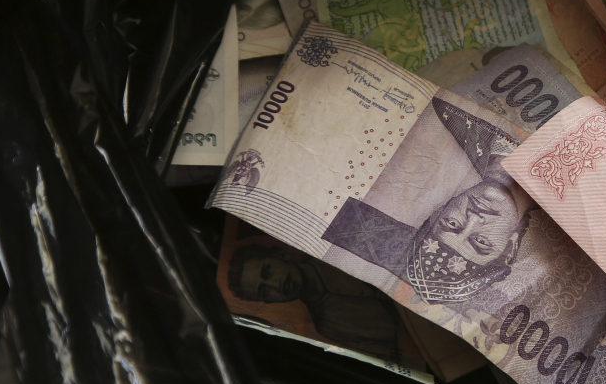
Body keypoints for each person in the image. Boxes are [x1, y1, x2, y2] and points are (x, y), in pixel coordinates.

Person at [324, 97, 533, 305]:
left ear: (440, 211)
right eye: (481, 241)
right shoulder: (555, 204)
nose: (473, 218)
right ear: (511, 247)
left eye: (452, 223)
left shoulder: (453, 118)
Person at [226, 243, 402, 360]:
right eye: (264, 291)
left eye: (268, 272)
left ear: (281, 254)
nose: (275, 285)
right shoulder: (328, 326)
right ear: (269, 302)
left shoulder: (333, 252)